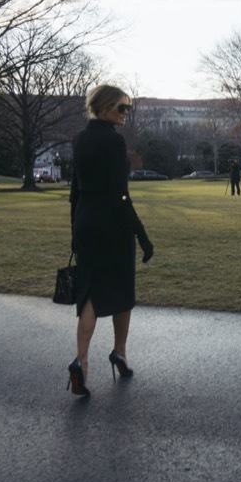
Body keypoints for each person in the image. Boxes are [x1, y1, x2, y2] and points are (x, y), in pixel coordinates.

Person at [66, 84, 154, 398]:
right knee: (122, 287)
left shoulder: (80, 139)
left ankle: (81, 360)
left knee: (90, 291)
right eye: (121, 107)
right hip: (111, 225)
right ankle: (120, 352)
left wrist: (75, 229)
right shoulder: (114, 142)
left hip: (85, 221)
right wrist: (142, 235)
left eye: (128, 107)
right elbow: (120, 197)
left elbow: (74, 191)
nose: (126, 113)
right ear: (104, 108)